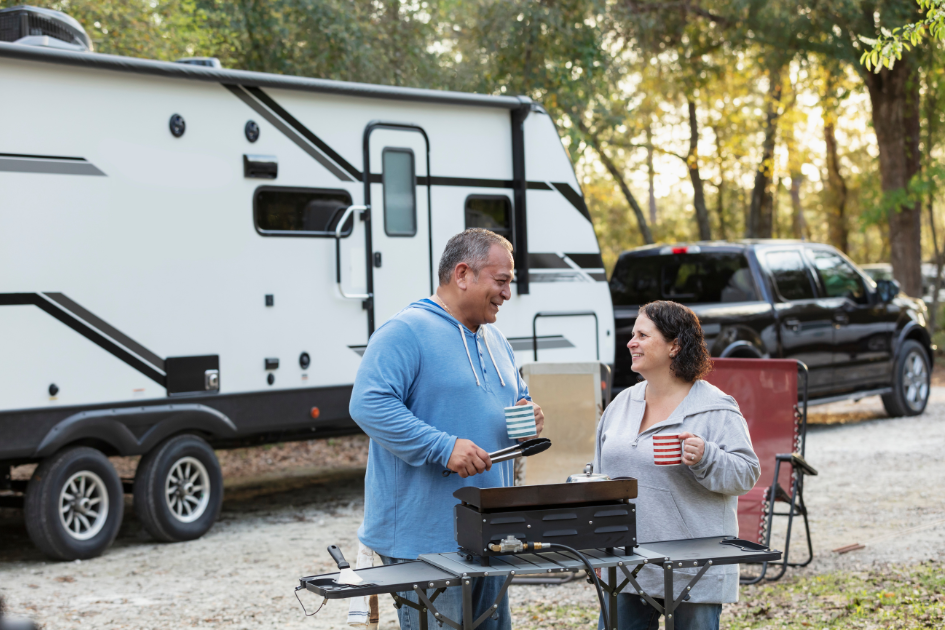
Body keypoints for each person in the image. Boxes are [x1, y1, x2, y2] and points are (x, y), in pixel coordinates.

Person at [350, 228, 544, 630]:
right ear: (462, 274)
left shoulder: (497, 341)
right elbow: (368, 404)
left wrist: (527, 422)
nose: (507, 294)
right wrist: (444, 446)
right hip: (427, 543)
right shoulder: (405, 332)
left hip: (491, 534)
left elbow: (513, 402)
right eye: (501, 281)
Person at [594, 300, 760, 630]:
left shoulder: (715, 408)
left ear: (675, 345)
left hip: (694, 567)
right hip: (627, 563)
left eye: (642, 334)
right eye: (632, 334)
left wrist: (706, 457)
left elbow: (747, 473)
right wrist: (599, 546)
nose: (631, 342)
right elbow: (599, 476)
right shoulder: (621, 405)